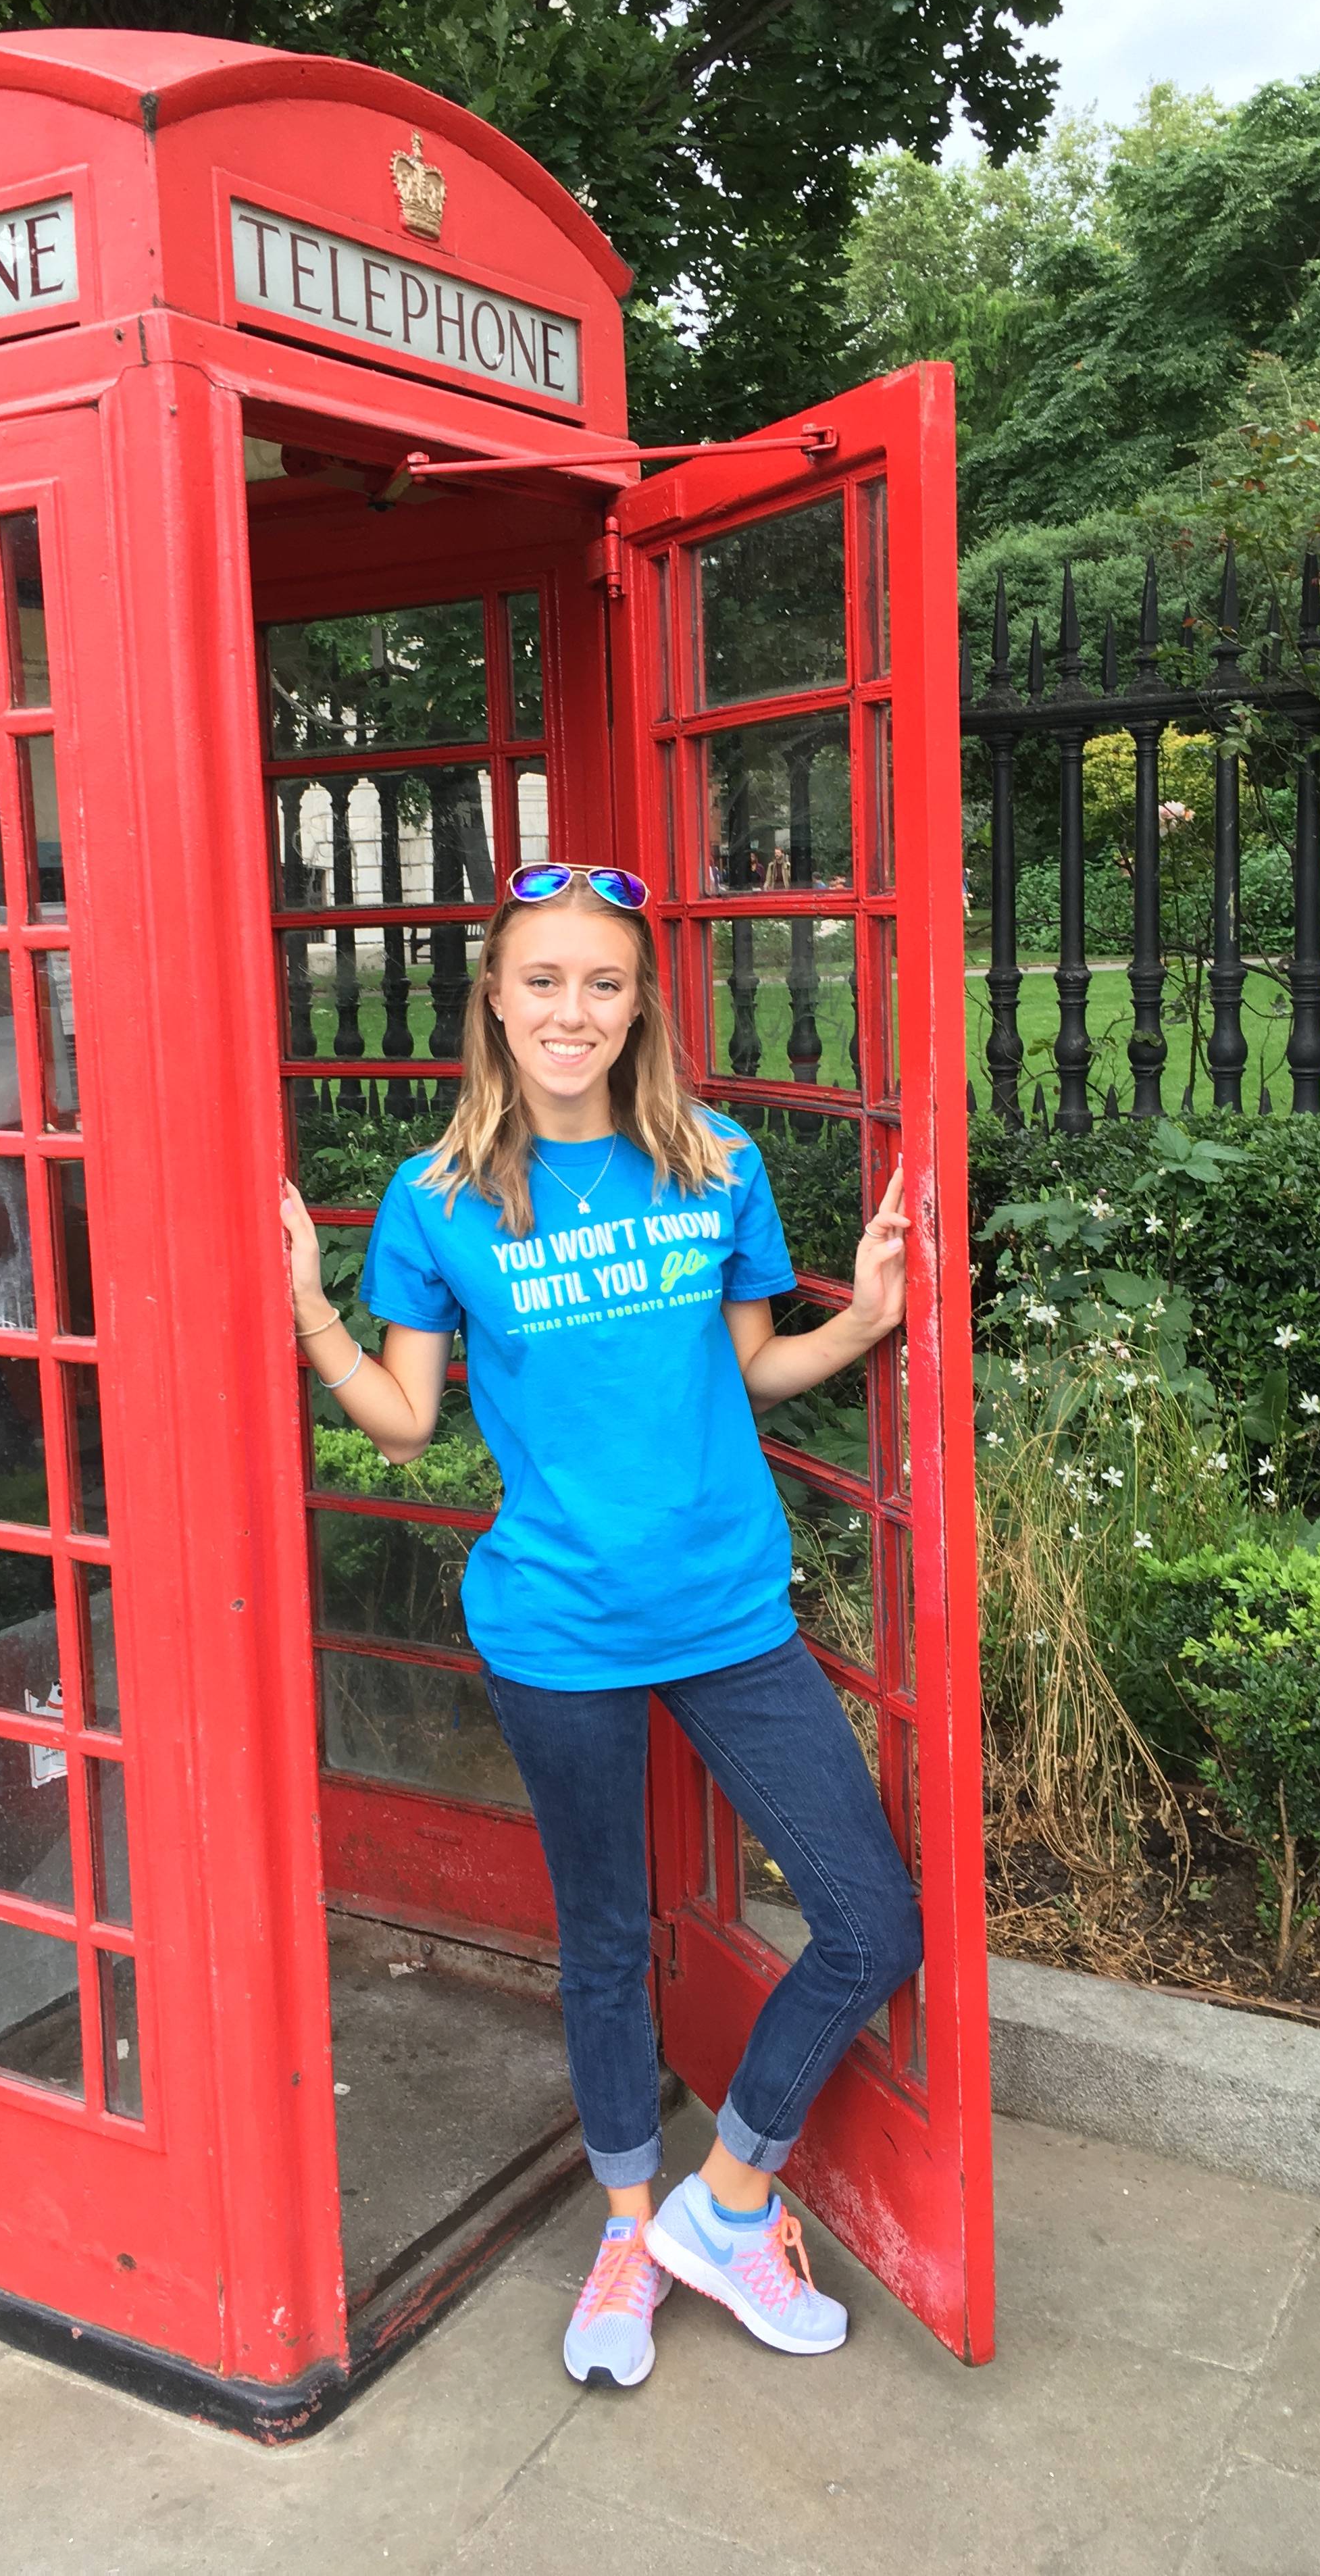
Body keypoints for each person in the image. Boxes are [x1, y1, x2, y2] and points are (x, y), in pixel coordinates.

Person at [280, 861, 920, 2388]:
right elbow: (405, 1425)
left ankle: (730, 2199)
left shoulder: (715, 1164)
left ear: (641, 1008)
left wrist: (871, 1320)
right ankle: (629, 2228)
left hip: (724, 1609)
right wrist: (306, 1307)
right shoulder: (441, 1206)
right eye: (545, 981)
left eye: (605, 983)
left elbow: (752, 1370)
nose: (574, 1010)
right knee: (605, 1940)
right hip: (556, 1627)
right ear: (495, 1002)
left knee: (870, 1922)